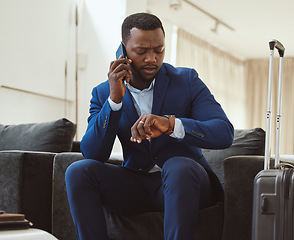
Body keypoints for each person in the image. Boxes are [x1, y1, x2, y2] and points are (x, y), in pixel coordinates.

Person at [65, 12, 234, 240]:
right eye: (141, 51)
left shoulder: (187, 80)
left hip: (187, 183)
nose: (152, 59)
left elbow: (224, 132)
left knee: (177, 166)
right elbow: (93, 153)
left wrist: (170, 125)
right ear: (123, 50)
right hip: (137, 184)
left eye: (159, 50)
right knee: (77, 171)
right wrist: (114, 101)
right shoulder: (103, 92)